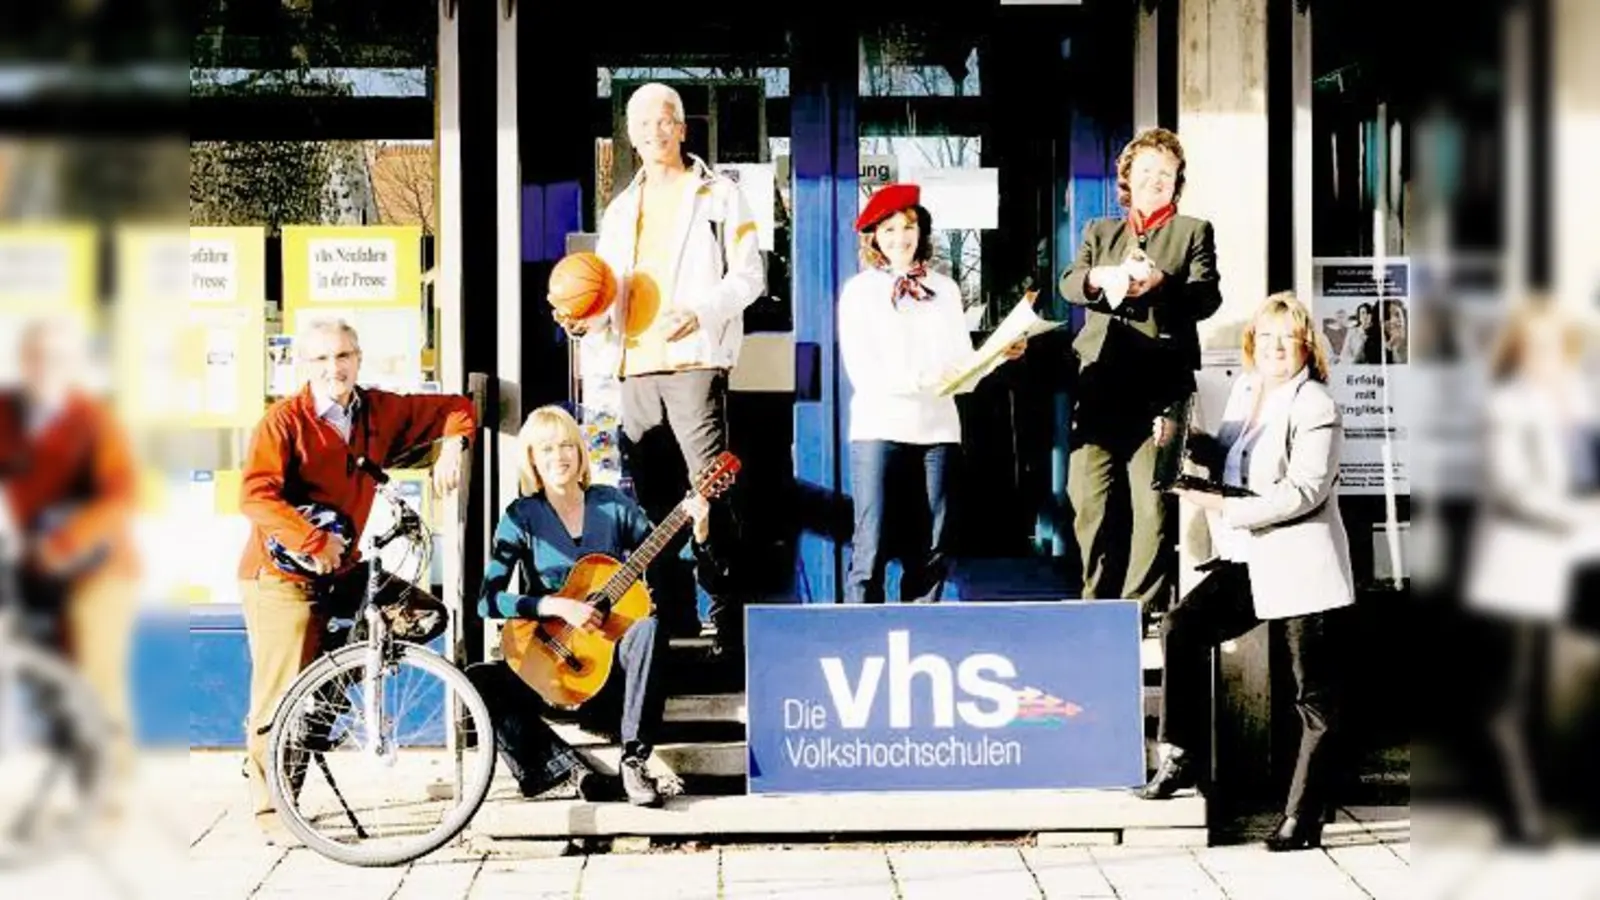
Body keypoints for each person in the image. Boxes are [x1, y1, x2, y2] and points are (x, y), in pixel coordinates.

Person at [237, 317, 476, 843]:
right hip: (279, 575)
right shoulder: (283, 422)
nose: (334, 368)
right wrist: (313, 540)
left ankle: (325, 692)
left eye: (343, 356)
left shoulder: (378, 410)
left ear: (358, 359)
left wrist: (453, 448)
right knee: (277, 700)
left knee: (420, 613)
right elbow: (255, 495)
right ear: (304, 366)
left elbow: (458, 407)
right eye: (321, 359)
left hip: (343, 569)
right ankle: (272, 811)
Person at [1136, 292, 1354, 853]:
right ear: (1254, 343)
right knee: (1183, 626)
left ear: (1306, 345)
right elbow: (1230, 455)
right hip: (1252, 560)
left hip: (1303, 565)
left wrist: (1219, 506)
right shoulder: (1248, 389)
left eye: (1288, 337)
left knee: (1313, 699)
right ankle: (1180, 755)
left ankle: (1302, 819)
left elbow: (1304, 491)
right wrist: (1183, 441)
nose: (1277, 347)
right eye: (1267, 336)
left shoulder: (1316, 405)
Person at [560, 81, 764, 660]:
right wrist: (585, 324)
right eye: (642, 123)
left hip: (694, 364)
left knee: (710, 497)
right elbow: (605, 296)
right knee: (650, 506)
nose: (653, 131)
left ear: (682, 127)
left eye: (663, 120)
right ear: (630, 135)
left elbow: (751, 278)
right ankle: (671, 618)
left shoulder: (719, 195)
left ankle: (728, 621)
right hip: (635, 371)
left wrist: (700, 312)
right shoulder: (621, 208)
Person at [472, 405, 715, 807]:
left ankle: (634, 760)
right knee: (479, 680)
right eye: (546, 449)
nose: (559, 457)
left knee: (648, 629)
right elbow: (488, 600)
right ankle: (566, 771)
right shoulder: (521, 516)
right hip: (544, 663)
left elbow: (670, 560)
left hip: (606, 676)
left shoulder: (611, 505)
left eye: (567, 445)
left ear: (581, 453)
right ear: (532, 458)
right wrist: (556, 606)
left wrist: (700, 529)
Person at [1058, 126, 1222, 607]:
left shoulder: (1193, 231)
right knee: (1088, 499)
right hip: (1100, 387)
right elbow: (1070, 284)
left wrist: (1159, 283)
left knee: (1151, 507)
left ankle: (1137, 609)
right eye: (1146, 171)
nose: (1156, 181)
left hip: (1160, 390)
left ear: (1177, 182)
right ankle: (1095, 601)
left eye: (1166, 174)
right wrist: (1096, 278)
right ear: (1126, 177)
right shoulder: (1100, 231)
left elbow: (1206, 296)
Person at [838, 183, 1025, 604]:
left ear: (922, 231)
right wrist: (928, 379)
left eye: (909, 227)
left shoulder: (946, 290)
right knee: (873, 542)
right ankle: (858, 636)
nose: (900, 238)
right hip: (879, 428)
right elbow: (864, 371)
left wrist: (996, 356)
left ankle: (921, 630)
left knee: (933, 544)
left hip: (938, 430)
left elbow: (963, 369)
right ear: (874, 238)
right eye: (888, 230)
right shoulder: (860, 293)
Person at [1464, 300, 1600, 844]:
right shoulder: (1508, 407)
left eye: (1557, 344)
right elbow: (1516, 488)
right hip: (1526, 570)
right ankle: (1522, 810)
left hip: (1581, 568)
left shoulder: (1584, 401)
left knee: (1573, 694)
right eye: (1536, 345)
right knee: (1521, 696)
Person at [0, 315, 140, 799]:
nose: (45, 366)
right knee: (53, 687)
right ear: (23, 361)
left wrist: (62, 544)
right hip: (32, 570)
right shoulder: (6, 413)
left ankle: (106, 800)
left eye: (57, 357)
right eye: (36, 356)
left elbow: (120, 496)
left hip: (100, 568)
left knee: (98, 682)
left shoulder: (93, 419)